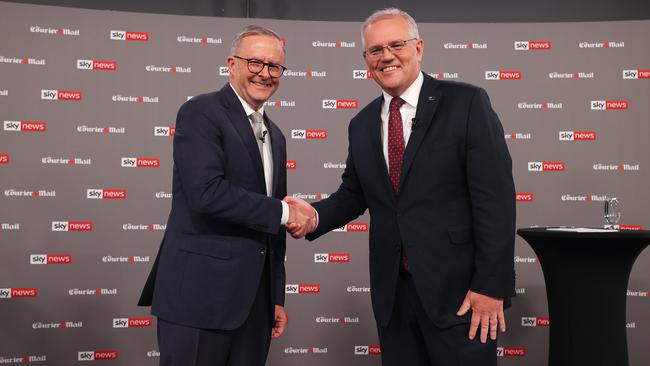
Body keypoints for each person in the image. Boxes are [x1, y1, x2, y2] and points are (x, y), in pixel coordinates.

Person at [285, 8, 516, 366]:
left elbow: (496, 201)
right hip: (393, 298)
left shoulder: (466, 103)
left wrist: (491, 285)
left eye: (396, 44)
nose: (386, 56)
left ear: (419, 48)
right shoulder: (361, 123)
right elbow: (353, 194)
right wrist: (314, 216)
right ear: (366, 60)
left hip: (462, 296)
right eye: (375, 50)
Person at [138, 25, 310, 366]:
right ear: (232, 64)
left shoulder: (275, 134)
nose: (265, 73)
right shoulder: (201, 112)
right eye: (255, 62)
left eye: (274, 66)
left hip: (254, 308)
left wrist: (275, 296)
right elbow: (207, 193)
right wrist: (286, 213)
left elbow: (270, 230)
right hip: (199, 300)